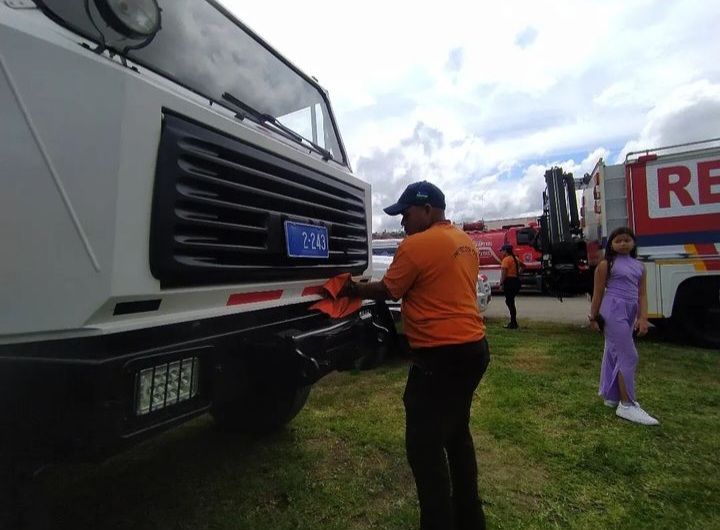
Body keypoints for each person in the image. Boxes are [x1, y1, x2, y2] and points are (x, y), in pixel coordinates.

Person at [341, 181, 490, 530]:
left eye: (406, 215)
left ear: (427, 210)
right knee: (457, 434)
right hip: (475, 350)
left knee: (424, 449)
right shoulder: (465, 242)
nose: (402, 223)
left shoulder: (415, 245)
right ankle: (470, 518)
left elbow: (389, 289)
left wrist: (352, 289)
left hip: (440, 357)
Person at [588, 226, 659, 426]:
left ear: (633, 243)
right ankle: (627, 405)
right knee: (629, 355)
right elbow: (598, 293)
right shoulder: (606, 265)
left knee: (613, 352)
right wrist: (593, 317)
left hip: (630, 311)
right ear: (611, 244)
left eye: (626, 240)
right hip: (612, 310)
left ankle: (612, 396)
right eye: (618, 241)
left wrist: (642, 317)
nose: (622, 244)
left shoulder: (640, 266)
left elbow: (642, 294)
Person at [499, 244, 521, 329]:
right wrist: (518, 273)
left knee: (510, 302)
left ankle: (513, 323)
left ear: (505, 251)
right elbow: (523, 266)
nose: (501, 253)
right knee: (510, 301)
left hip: (509, 282)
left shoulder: (506, 260)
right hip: (516, 281)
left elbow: (504, 273)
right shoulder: (515, 258)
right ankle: (513, 322)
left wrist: (501, 283)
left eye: (502, 251)